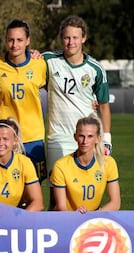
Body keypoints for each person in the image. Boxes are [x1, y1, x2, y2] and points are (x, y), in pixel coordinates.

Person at [43, 15, 112, 209]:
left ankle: (89, 230)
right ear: (61, 39)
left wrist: (106, 139)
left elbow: (104, 106)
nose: (70, 42)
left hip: (87, 136)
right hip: (58, 137)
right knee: (56, 195)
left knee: (89, 190)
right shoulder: (48, 60)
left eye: (75, 37)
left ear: (83, 38)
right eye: (66, 37)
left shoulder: (95, 69)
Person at [0, 19, 47, 181]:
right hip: (5, 137)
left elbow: (58, 92)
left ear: (28, 41)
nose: (14, 45)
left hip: (33, 136)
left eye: (19, 40)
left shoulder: (39, 65)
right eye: (10, 40)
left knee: (33, 189)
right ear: (5, 40)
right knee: (4, 187)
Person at [50, 114, 120, 213]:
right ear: (75, 137)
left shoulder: (108, 163)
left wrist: (93, 215)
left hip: (95, 218)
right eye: (81, 136)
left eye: (90, 136)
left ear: (98, 138)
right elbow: (61, 207)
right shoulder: (61, 166)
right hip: (67, 218)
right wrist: (76, 215)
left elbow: (115, 203)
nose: (85, 141)